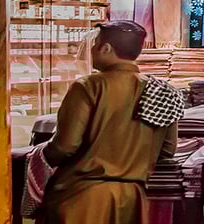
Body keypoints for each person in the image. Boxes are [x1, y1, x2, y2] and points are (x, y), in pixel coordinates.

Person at [40, 21, 179, 224]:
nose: (93, 49)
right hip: (132, 199)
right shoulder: (164, 91)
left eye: (95, 44)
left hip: (82, 197)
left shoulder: (88, 86)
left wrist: (39, 158)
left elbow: (65, 146)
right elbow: (167, 151)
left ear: (105, 48)